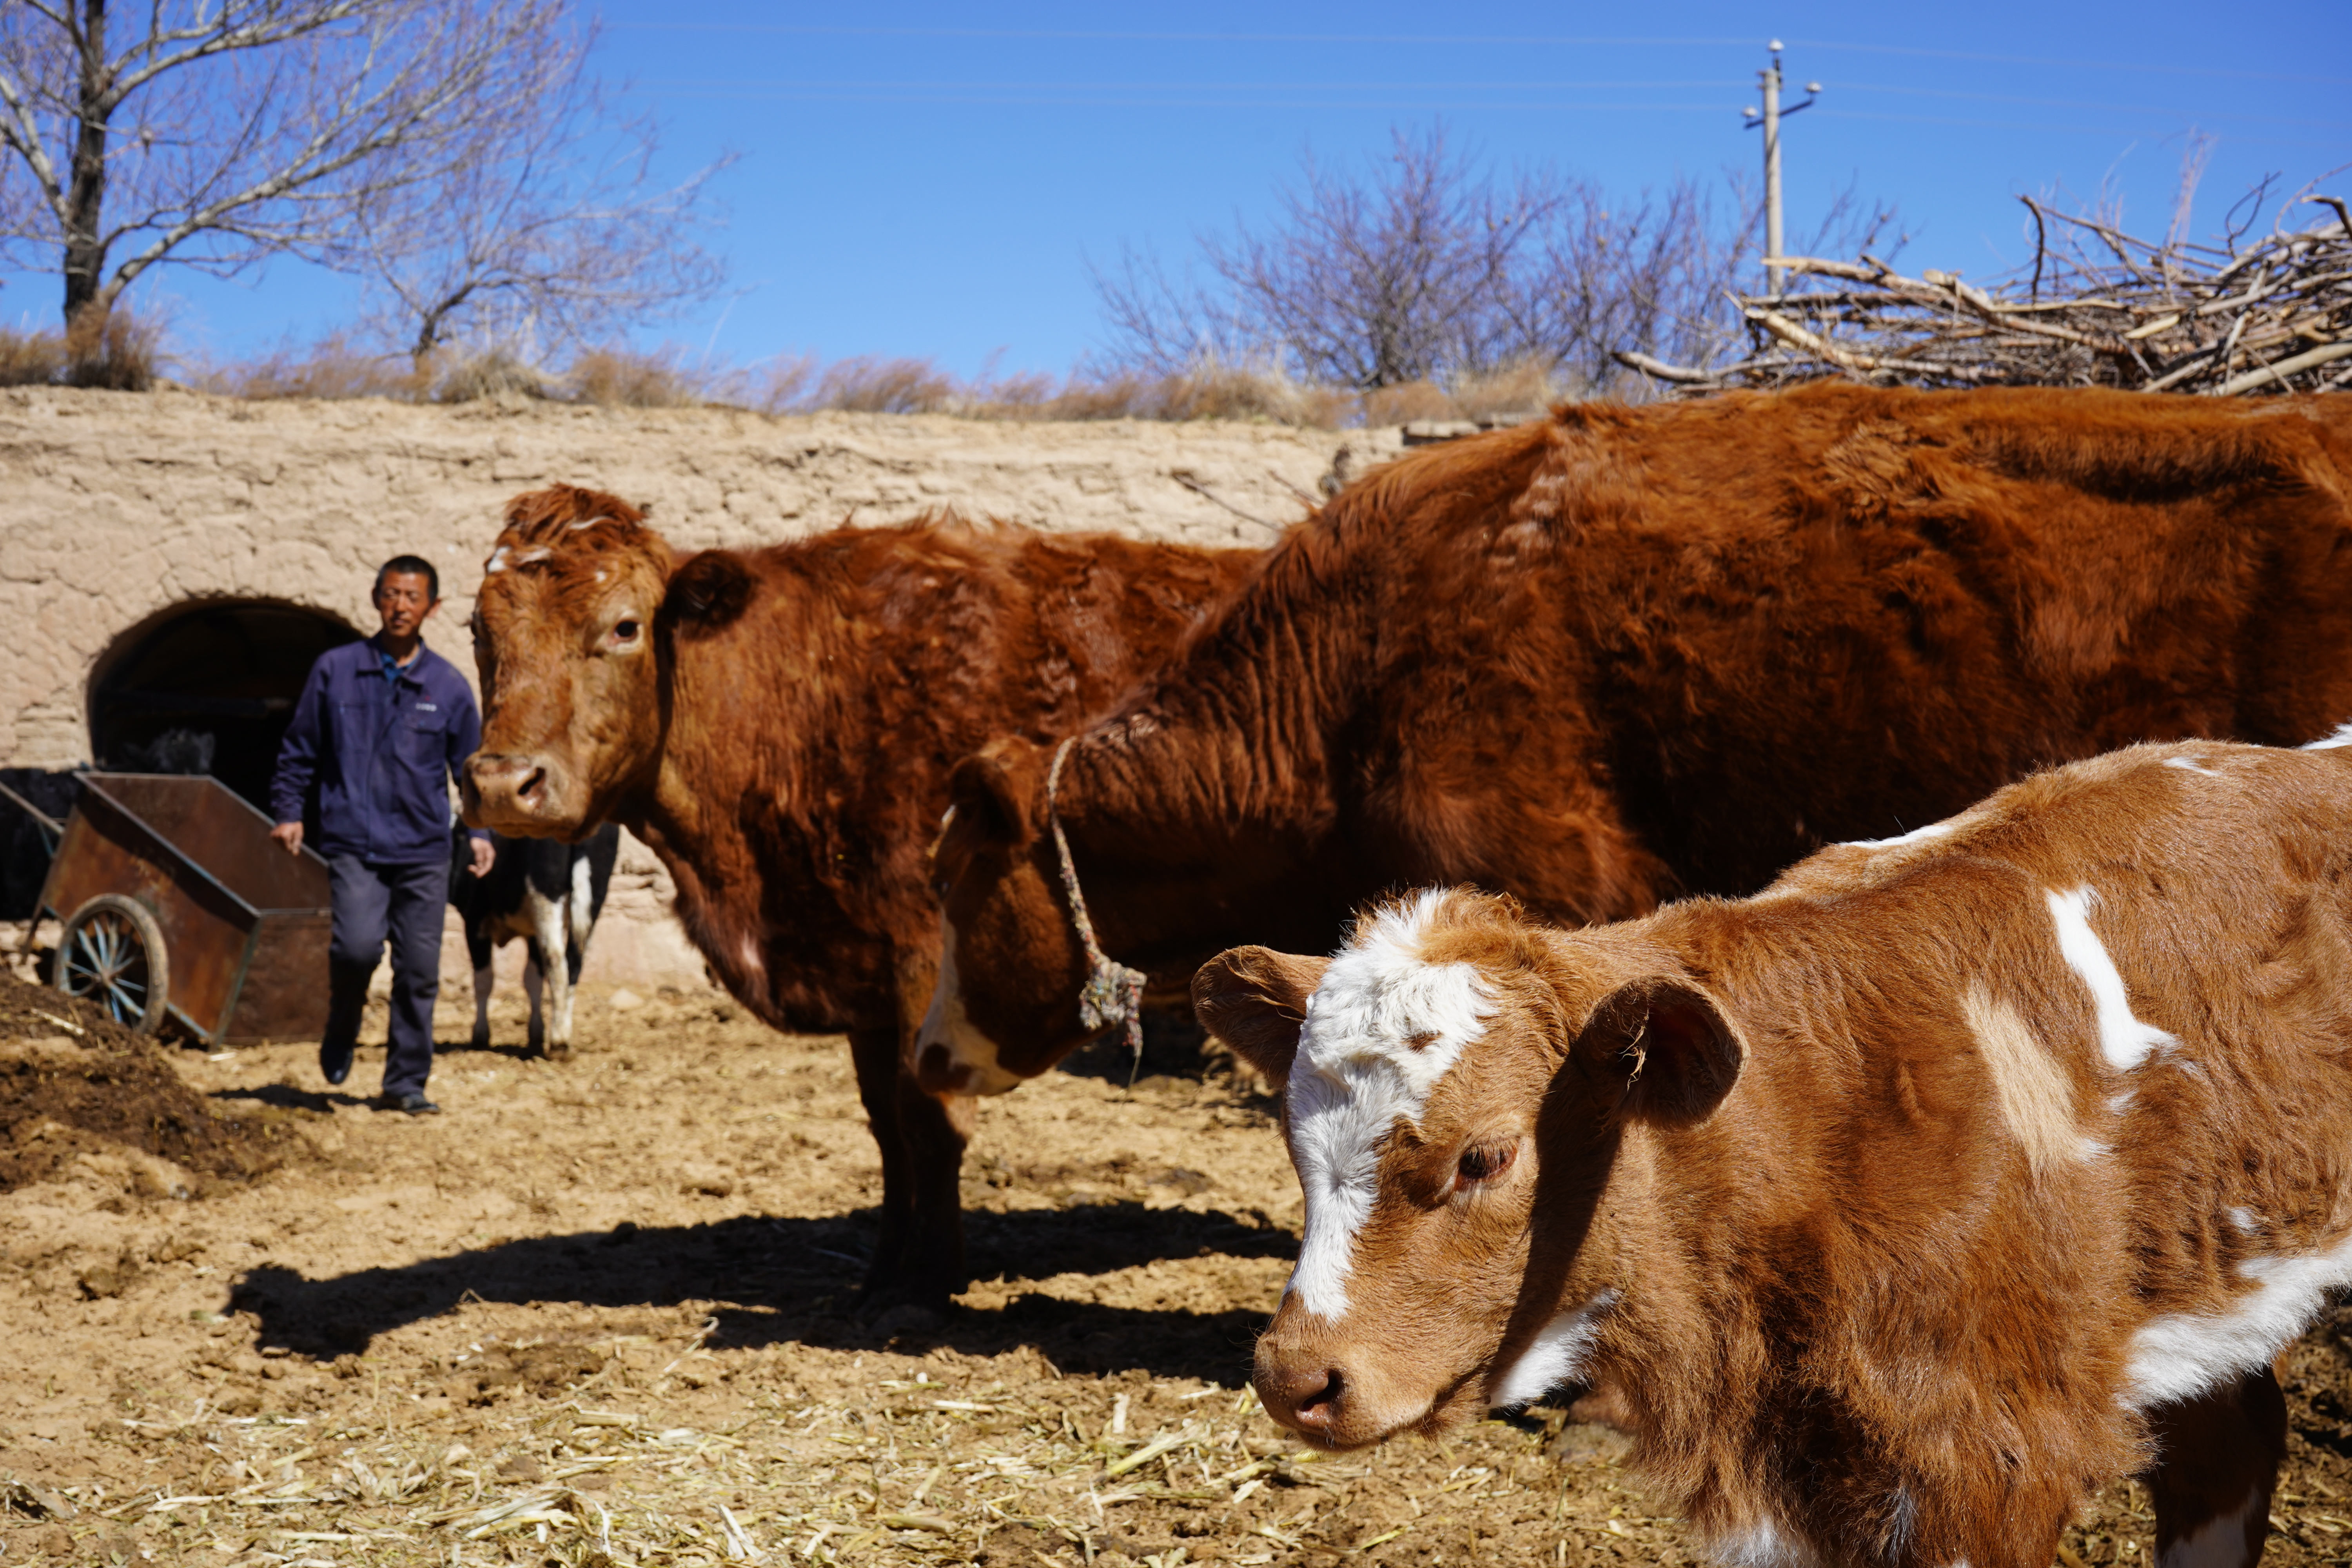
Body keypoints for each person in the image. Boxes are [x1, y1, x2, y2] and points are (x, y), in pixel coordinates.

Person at [269, 555, 494, 1114]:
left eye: (412, 597)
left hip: (423, 850)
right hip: (353, 842)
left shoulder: (447, 685)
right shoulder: (336, 671)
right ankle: (342, 1022)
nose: (401, 606)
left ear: (432, 609)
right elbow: (300, 749)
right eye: (391, 594)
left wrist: (482, 831)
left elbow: (469, 766)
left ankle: (405, 1084)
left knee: (418, 972)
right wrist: (289, 811)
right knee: (356, 949)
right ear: (375, 599)